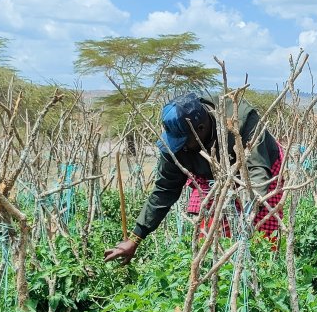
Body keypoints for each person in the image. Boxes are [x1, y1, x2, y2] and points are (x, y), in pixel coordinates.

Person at [104, 92, 284, 264]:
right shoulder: (175, 145)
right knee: (212, 242)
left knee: (261, 241)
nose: (180, 147)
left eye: (183, 141)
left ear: (201, 128)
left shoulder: (240, 118)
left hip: (262, 173)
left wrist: (249, 212)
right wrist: (136, 237)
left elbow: (257, 170)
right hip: (213, 178)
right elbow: (165, 189)